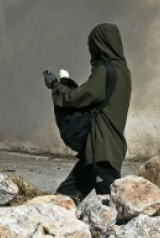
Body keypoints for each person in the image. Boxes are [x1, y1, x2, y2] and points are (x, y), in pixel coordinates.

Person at [44, 23, 132, 200]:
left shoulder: (105, 70)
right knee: (64, 199)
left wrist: (55, 85)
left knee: (109, 210)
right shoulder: (123, 71)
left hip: (101, 150)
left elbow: (77, 98)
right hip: (99, 150)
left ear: (99, 45)